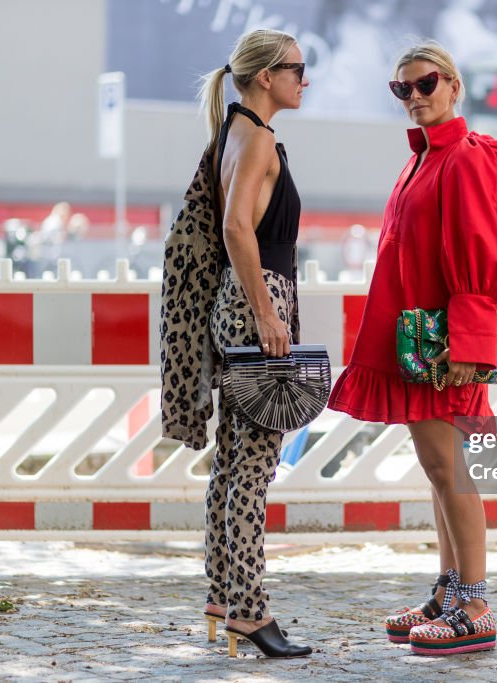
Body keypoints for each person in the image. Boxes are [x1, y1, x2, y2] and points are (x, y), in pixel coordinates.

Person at [328, 41, 497, 655]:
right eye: (402, 90)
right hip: (425, 343)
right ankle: (449, 592)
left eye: (425, 84)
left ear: (453, 86)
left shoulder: (463, 158)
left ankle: (474, 605)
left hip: (447, 347)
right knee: (440, 471)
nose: (415, 97)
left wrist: (468, 344)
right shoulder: (422, 160)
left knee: (449, 470)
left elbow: (477, 253)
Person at [192, 29, 311, 658]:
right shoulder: (257, 138)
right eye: (296, 68)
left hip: (235, 304)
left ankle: (223, 592)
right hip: (255, 302)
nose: (304, 79)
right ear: (265, 75)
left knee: (231, 462)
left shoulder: (234, 133)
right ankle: (250, 609)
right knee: (254, 470)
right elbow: (239, 228)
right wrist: (267, 313)